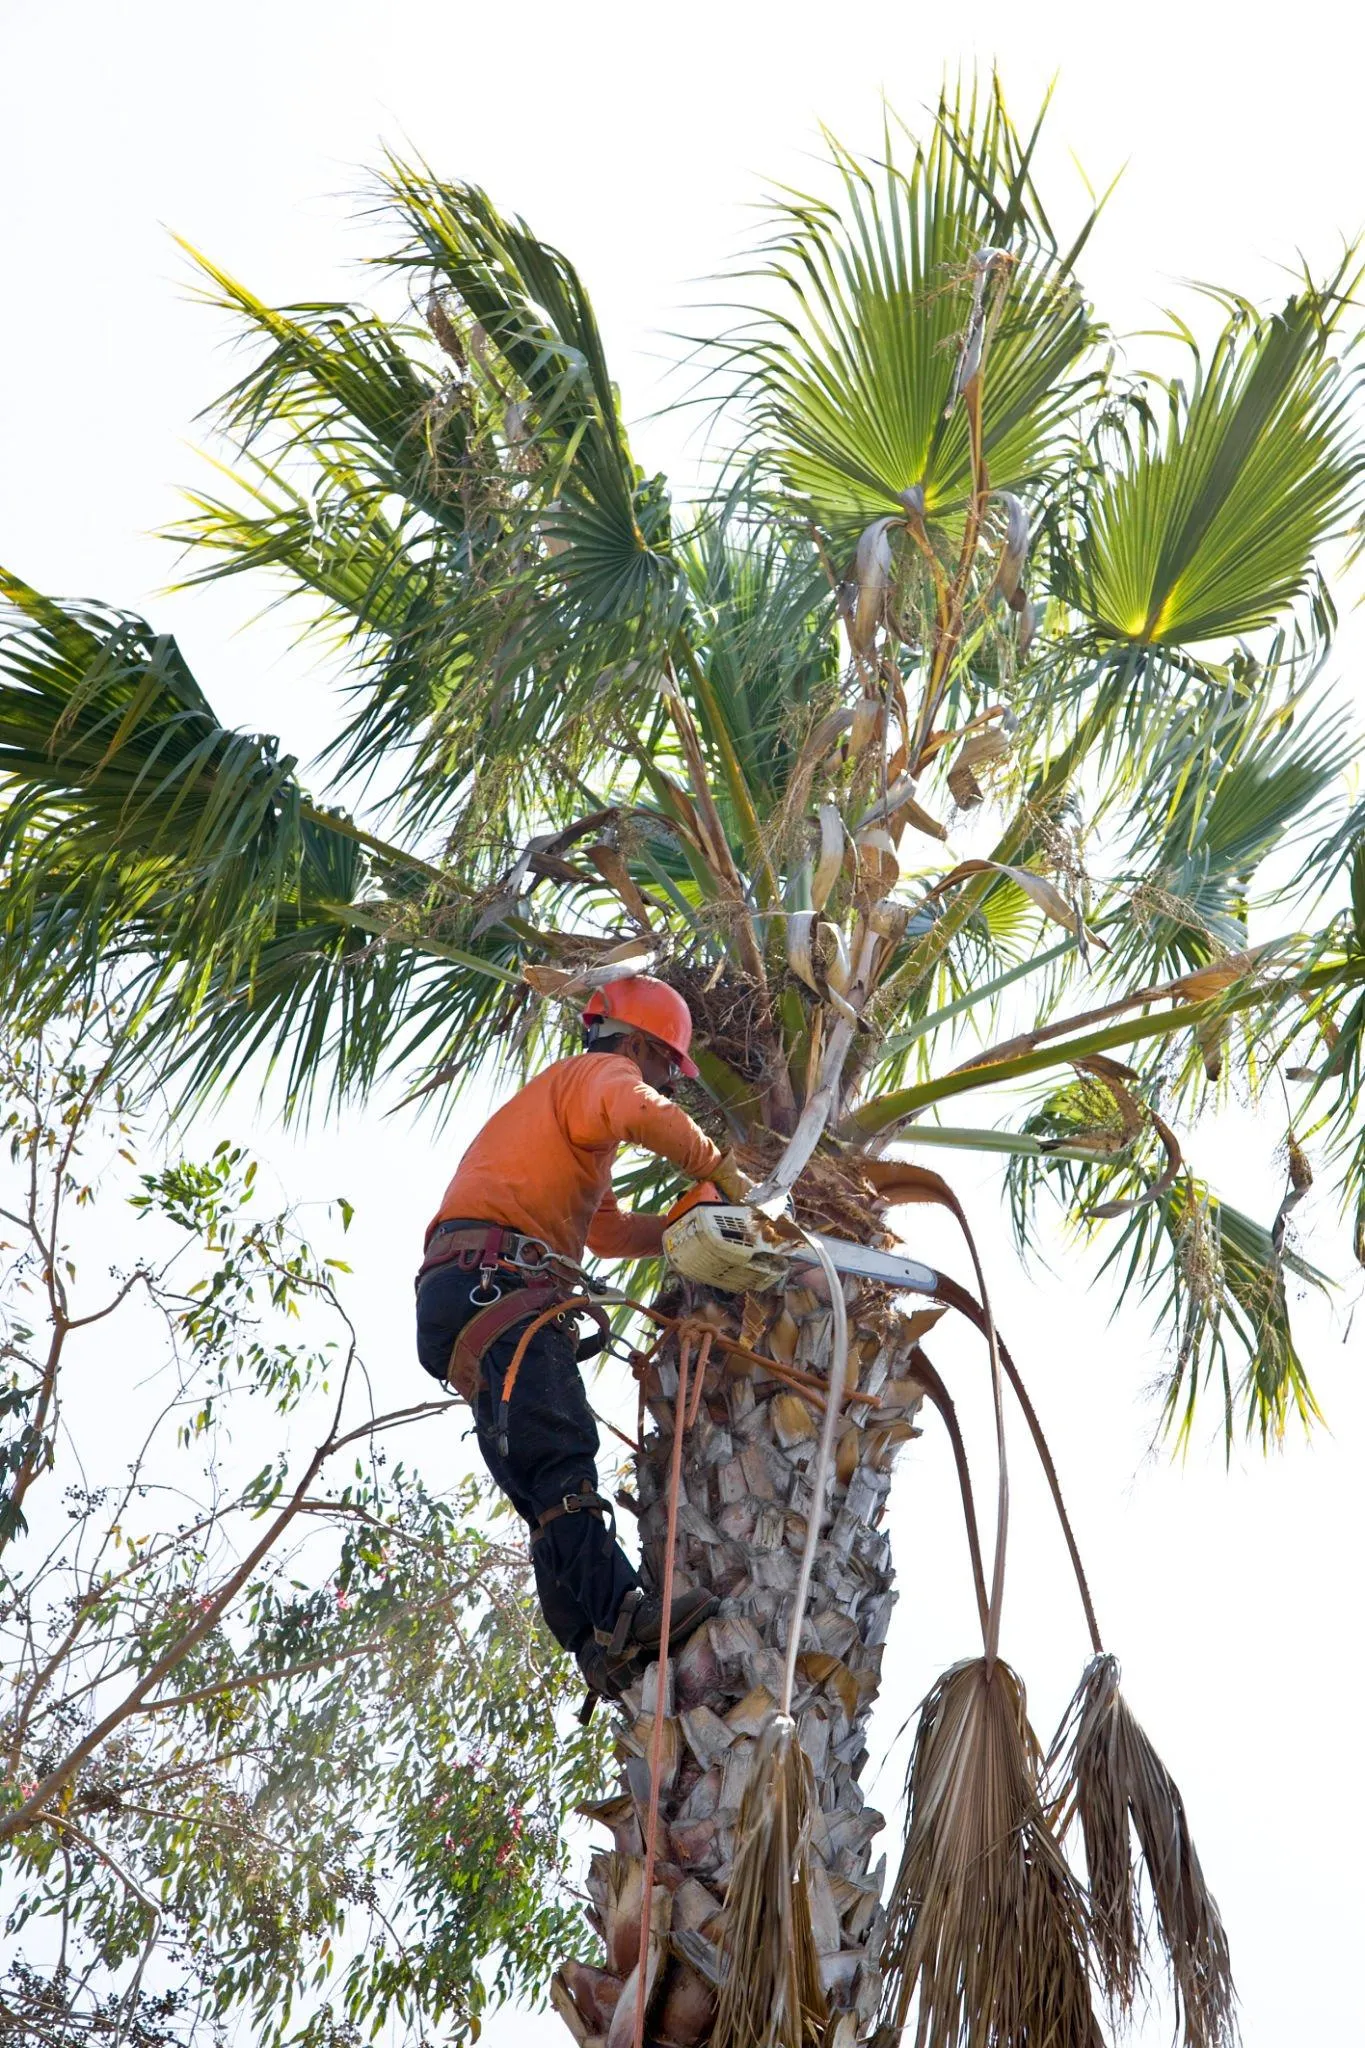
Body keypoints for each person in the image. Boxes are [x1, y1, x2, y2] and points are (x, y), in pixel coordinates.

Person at [414, 976, 752, 1701]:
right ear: (637, 1044)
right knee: (563, 1456)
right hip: (497, 1283)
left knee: (543, 1485)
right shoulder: (602, 1075)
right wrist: (719, 1171)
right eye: (667, 1067)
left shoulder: (564, 1115)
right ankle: (626, 1614)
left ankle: (594, 1644)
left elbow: (603, 1231)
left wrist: (681, 1228)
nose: (667, 1084)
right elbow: (637, 1107)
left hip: (463, 1296)